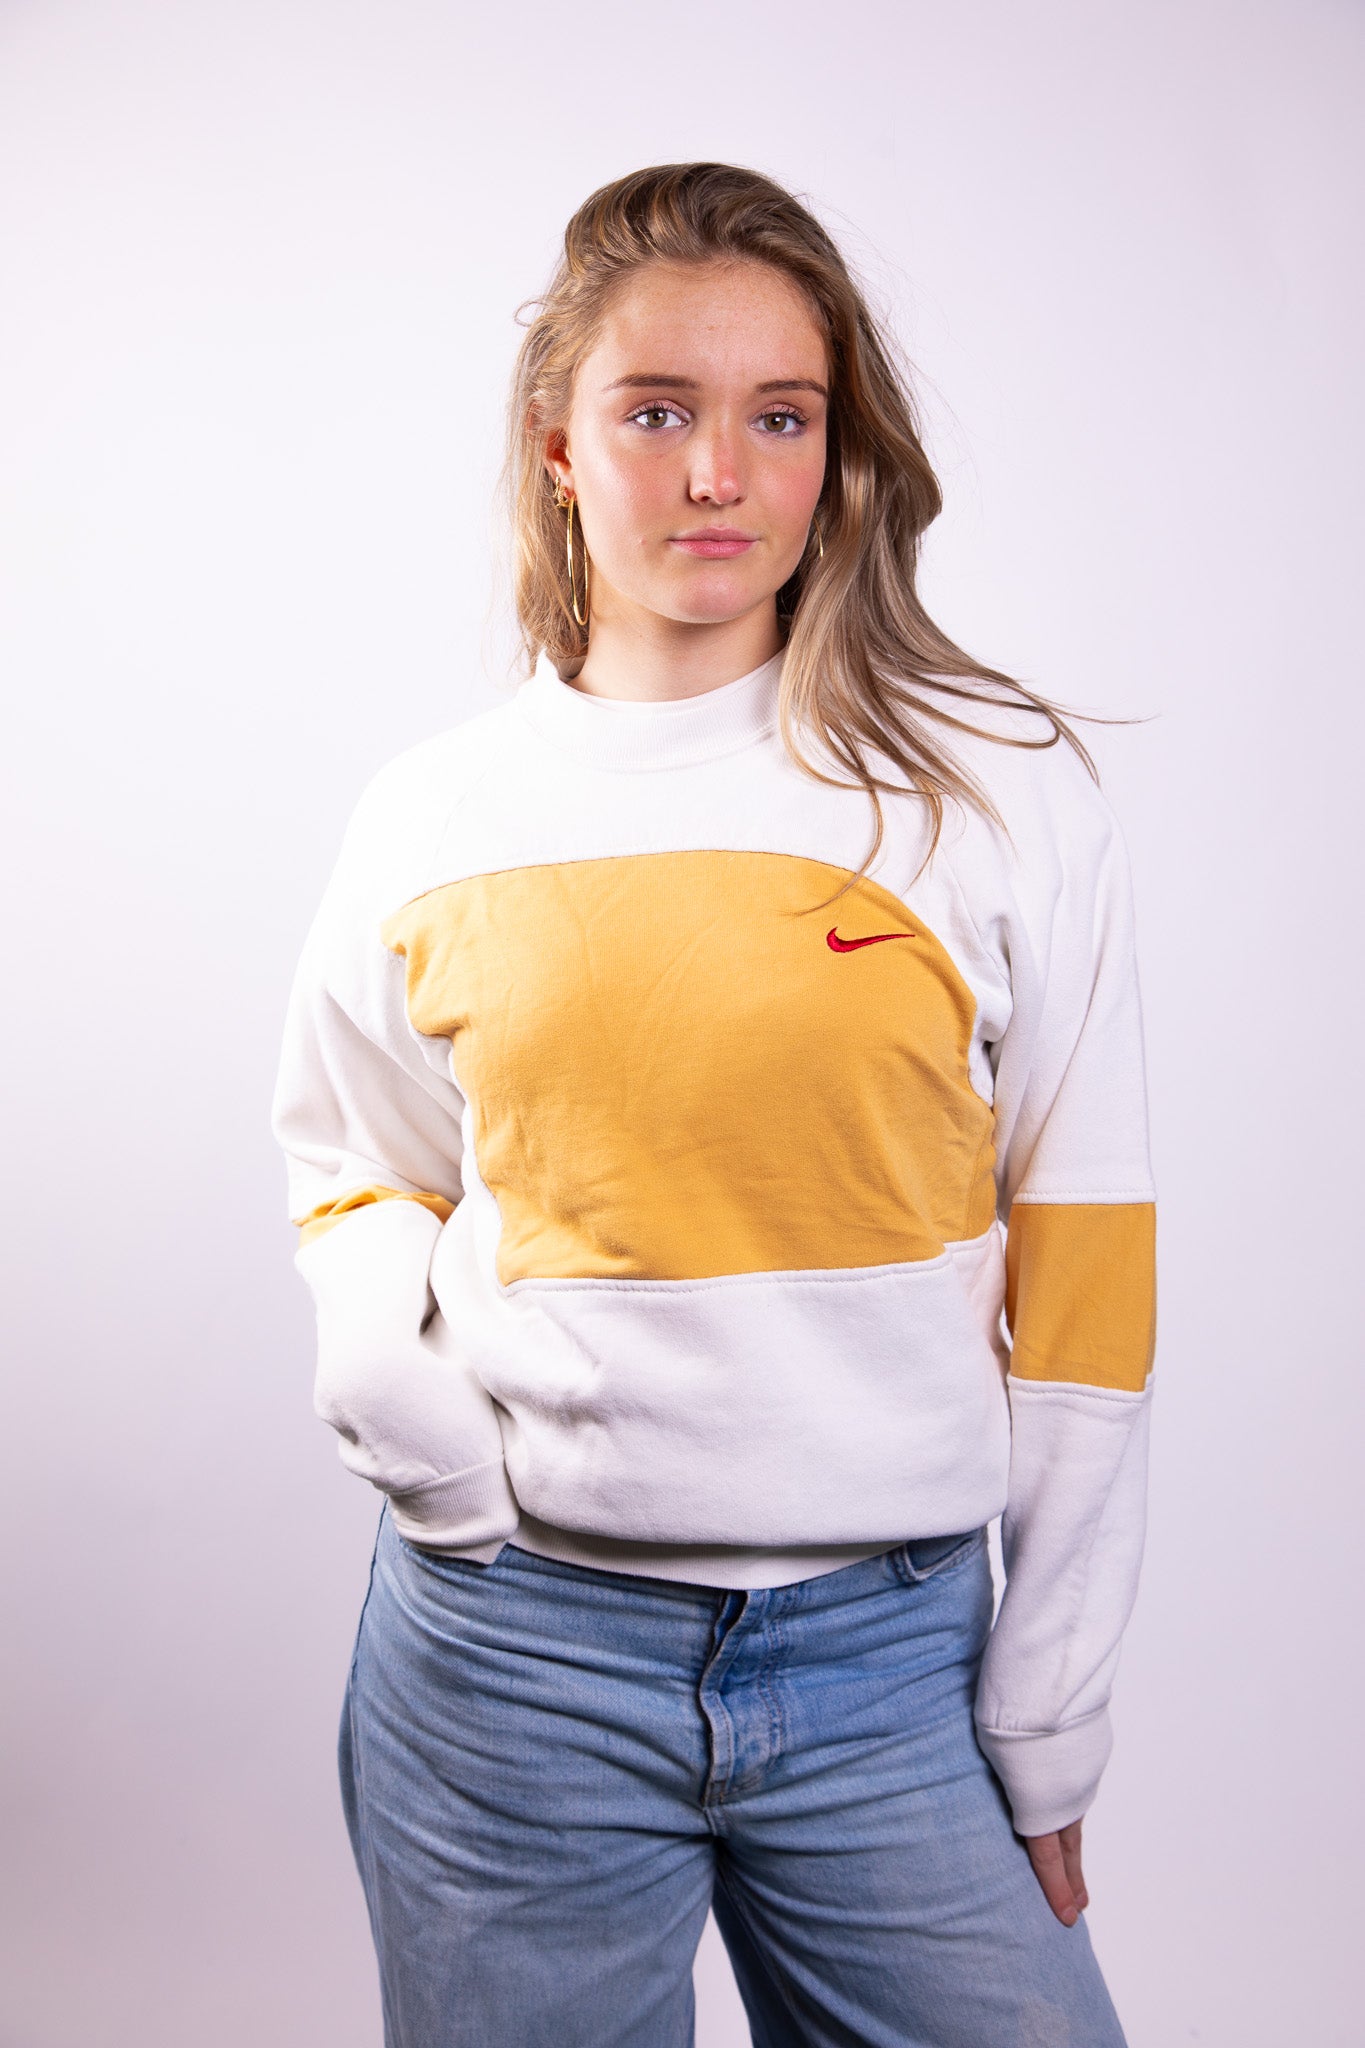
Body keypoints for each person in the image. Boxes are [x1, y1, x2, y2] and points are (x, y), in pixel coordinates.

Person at [270, 161, 1155, 2048]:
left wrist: (1048, 1702)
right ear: (558, 447)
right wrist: (412, 1431)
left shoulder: (986, 795)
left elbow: (1083, 1270)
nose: (716, 476)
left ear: (837, 455)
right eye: (656, 412)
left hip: (892, 1667)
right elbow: (357, 1164)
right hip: (513, 1657)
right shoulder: (434, 815)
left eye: (781, 418)